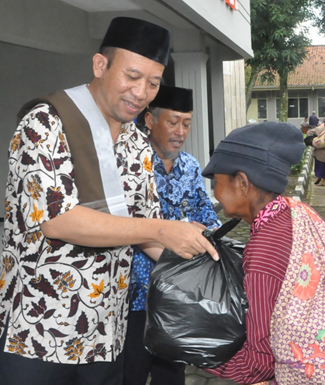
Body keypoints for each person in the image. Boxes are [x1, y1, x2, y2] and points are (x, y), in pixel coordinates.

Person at [0, 17, 217, 385]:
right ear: (100, 65)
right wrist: (162, 228)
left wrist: (207, 257)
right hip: (35, 328)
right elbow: (59, 221)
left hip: (105, 332)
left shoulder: (138, 144)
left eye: (153, 83)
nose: (141, 92)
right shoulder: (47, 123)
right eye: (132, 76)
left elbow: (148, 236)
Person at [200, 121, 325, 385]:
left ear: (243, 184)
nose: (215, 192)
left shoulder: (262, 253)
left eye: (217, 181)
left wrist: (196, 353)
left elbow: (259, 362)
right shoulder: (300, 214)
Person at [123, 85, 221, 385]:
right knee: (131, 373)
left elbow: (205, 212)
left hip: (178, 294)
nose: (181, 131)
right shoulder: (129, 163)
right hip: (135, 295)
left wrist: (210, 231)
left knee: (172, 374)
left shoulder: (190, 166)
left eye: (187, 123)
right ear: (150, 120)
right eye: (173, 121)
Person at [310, 116, 325, 186]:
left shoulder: (318, 129)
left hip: (318, 151)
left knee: (318, 165)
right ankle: (324, 181)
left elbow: (309, 132)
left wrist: (315, 139)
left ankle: (318, 177)